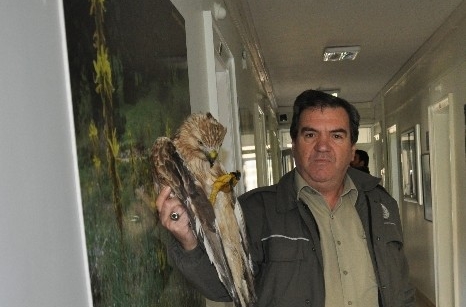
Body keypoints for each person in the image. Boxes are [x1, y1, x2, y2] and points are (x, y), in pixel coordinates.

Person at [156, 89, 415, 307]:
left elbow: (400, 287)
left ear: (351, 150)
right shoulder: (256, 210)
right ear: (294, 145)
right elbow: (225, 286)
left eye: (337, 135)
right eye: (310, 134)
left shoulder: (381, 204)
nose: (323, 146)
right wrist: (188, 241)